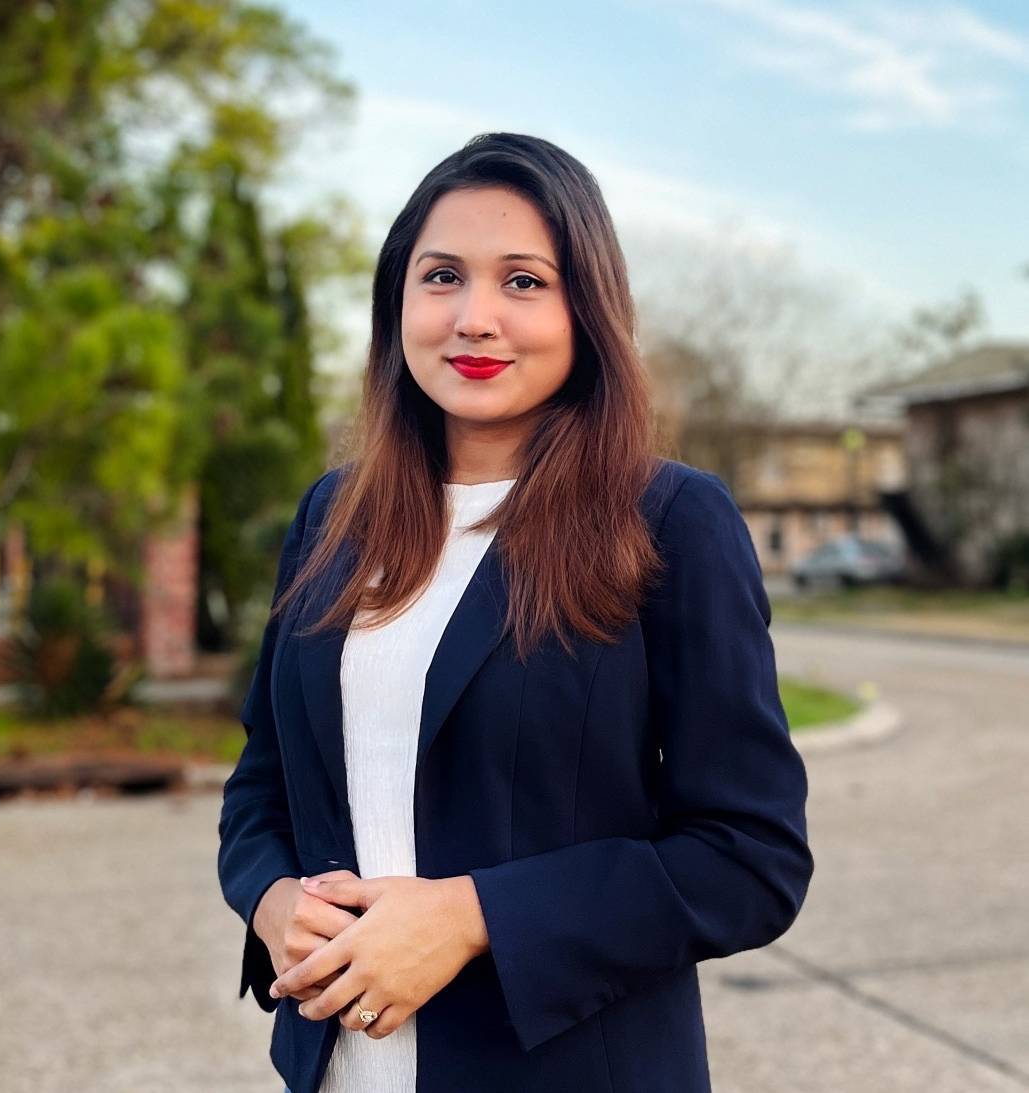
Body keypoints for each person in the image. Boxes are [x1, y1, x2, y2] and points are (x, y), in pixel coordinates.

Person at [218, 131, 814, 1093]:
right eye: (441, 276)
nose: (474, 318)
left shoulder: (668, 520)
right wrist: (272, 898)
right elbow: (261, 789)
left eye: (524, 281)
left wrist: (472, 915)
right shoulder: (332, 517)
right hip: (341, 1070)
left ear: (587, 308)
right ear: (397, 303)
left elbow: (749, 860)